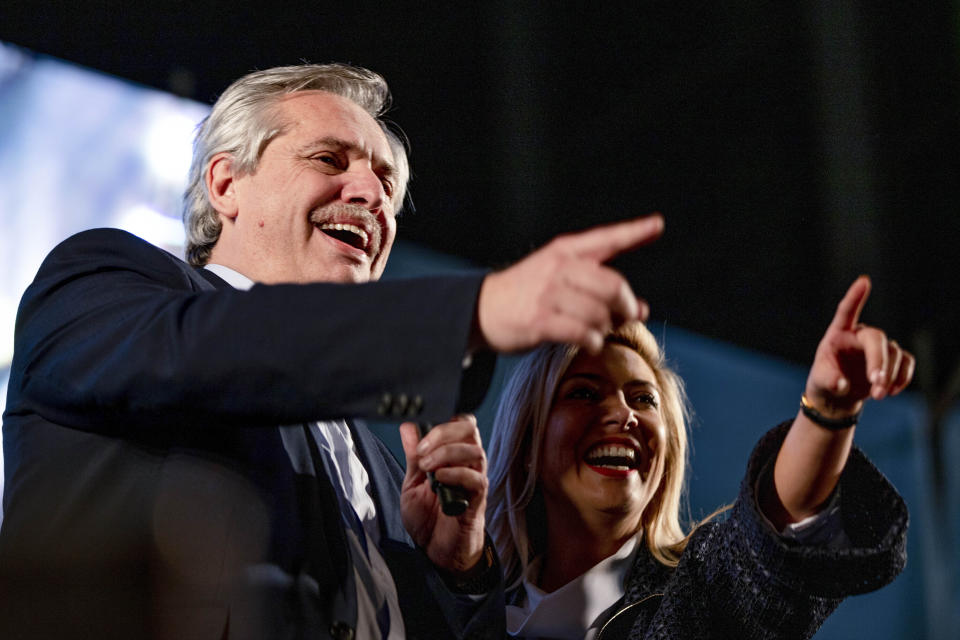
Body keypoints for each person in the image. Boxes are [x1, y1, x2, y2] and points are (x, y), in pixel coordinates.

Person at [0, 63, 665, 640]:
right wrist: (476, 310)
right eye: (329, 159)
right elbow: (215, 350)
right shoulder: (102, 283)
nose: (372, 195)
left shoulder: (380, 467)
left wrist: (456, 571)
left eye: (385, 184)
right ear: (227, 184)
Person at [485, 276, 913, 639]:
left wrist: (827, 411)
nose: (624, 414)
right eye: (584, 392)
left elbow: (767, 545)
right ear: (527, 446)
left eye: (643, 398)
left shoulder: (699, 592)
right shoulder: (465, 611)